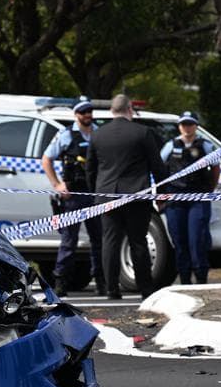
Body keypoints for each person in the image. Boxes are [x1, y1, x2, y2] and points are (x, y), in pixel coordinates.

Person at [87, 94, 170, 299]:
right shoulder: (142, 132)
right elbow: (157, 166)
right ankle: (145, 288)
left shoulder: (97, 135)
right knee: (138, 241)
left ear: (111, 111)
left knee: (110, 242)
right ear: (130, 109)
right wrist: (162, 193)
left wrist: (94, 194)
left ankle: (111, 289)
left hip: (106, 195)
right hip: (136, 194)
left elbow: (90, 169)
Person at [41, 96, 103, 297]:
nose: (88, 115)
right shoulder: (66, 135)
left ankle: (101, 280)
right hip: (74, 195)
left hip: (94, 193)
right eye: (83, 112)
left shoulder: (99, 133)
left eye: (89, 111)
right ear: (76, 114)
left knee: (98, 239)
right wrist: (57, 184)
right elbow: (46, 159)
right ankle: (61, 281)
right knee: (69, 241)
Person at [160, 111, 220, 285]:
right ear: (179, 126)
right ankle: (184, 278)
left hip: (198, 198)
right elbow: (159, 169)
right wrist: (160, 195)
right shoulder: (171, 145)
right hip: (176, 199)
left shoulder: (206, 146)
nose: (187, 128)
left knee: (197, 239)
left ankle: (201, 277)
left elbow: (216, 168)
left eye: (190, 124)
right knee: (179, 240)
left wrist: (211, 188)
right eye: (184, 124)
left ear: (196, 126)